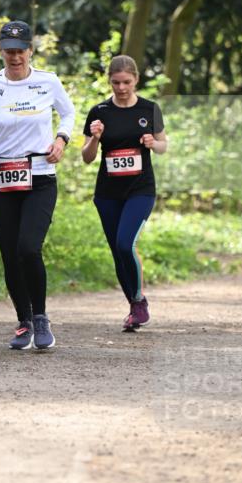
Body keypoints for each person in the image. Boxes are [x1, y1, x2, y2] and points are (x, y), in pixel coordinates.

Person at [0, 20, 75, 350]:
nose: (15, 58)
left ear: (30, 51)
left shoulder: (48, 82)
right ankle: (23, 321)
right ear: (1, 52)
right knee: (10, 255)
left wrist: (61, 139)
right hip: (3, 179)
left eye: (20, 51)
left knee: (29, 247)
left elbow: (67, 115)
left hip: (40, 175)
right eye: (8, 51)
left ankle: (41, 318)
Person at [82, 54, 167, 331]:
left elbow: (164, 145)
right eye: (116, 82)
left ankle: (140, 301)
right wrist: (95, 137)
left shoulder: (149, 109)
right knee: (116, 252)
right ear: (109, 81)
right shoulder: (99, 112)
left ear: (136, 80)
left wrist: (153, 142)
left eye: (126, 82)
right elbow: (86, 157)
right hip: (108, 192)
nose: (121, 88)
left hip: (140, 190)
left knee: (125, 245)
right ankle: (133, 305)